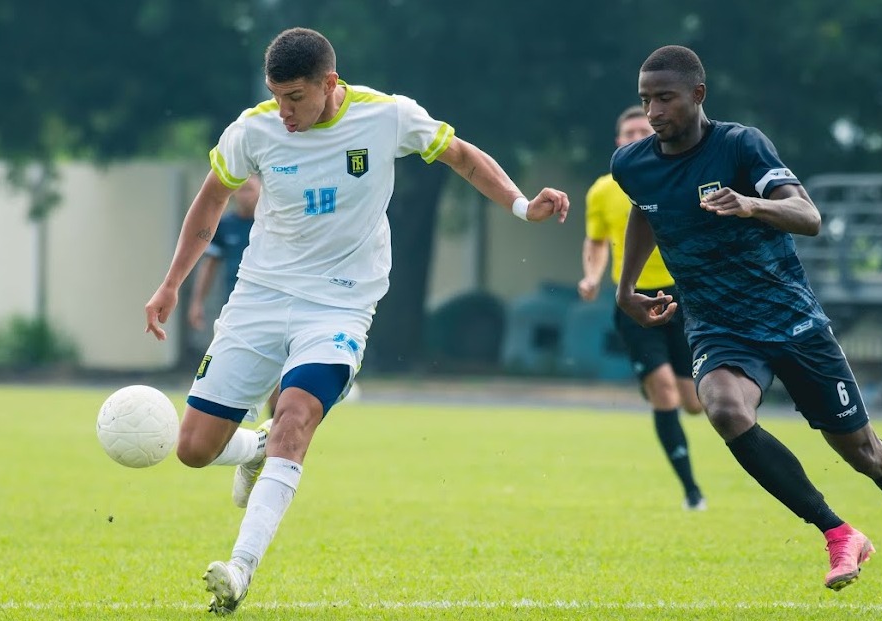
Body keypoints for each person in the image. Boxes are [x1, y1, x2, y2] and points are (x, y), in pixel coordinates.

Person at [143, 27, 569, 615]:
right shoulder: (253, 129)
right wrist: (171, 283)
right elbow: (212, 198)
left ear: (330, 83)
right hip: (259, 298)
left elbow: (462, 157)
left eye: (296, 97)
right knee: (193, 448)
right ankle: (256, 446)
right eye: (276, 96)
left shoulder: (387, 116)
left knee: (296, 414)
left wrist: (522, 205)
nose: (284, 111)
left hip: (339, 305)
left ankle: (239, 570)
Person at [612, 45, 882, 610]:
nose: (654, 112)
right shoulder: (631, 164)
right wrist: (626, 287)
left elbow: (809, 216)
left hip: (793, 322)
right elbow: (645, 207)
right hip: (717, 325)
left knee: (864, 453)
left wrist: (751, 205)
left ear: (698, 95)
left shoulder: (741, 145)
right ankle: (838, 532)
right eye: (645, 100)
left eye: (665, 98)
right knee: (726, 410)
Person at [578, 105, 705, 511]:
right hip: (633, 303)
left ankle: (656, 381)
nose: (635, 138)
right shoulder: (602, 190)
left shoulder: (678, 177)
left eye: (642, 132)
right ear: (618, 142)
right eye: (628, 133)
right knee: (664, 390)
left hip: (681, 298)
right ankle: (692, 492)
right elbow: (596, 241)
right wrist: (592, 277)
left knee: (695, 403)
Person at [186, 176, 280, 418]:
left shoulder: (273, 223)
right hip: (235, 308)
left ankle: (274, 424)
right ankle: (219, 417)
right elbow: (210, 265)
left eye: (250, 190)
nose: (245, 195)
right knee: (225, 364)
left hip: (270, 306)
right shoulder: (225, 224)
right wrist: (197, 302)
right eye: (241, 190)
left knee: (275, 369)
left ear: (261, 190)